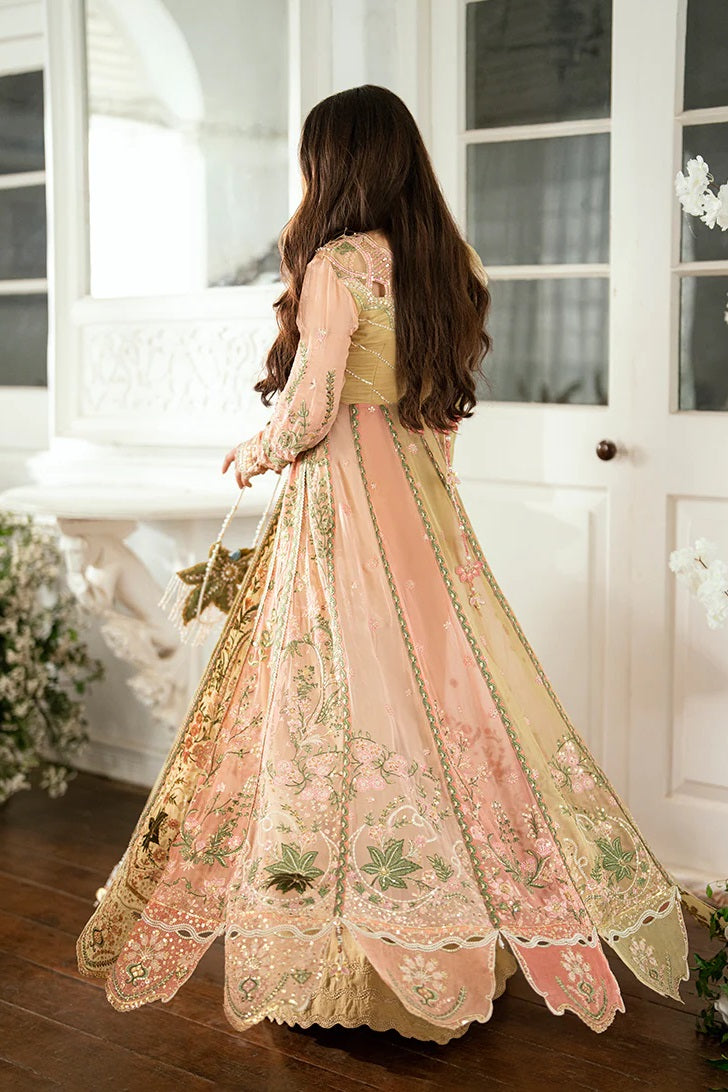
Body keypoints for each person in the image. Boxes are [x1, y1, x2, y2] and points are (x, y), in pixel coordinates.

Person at [77, 84, 689, 1042]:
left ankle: (358, 947)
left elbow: (313, 405)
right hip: (426, 512)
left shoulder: (336, 265)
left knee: (336, 707)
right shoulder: (448, 262)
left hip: (345, 516)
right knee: (432, 706)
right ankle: (438, 939)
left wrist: (256, 450)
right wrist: (429, 502)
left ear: (336, 165)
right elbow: (441, 419)